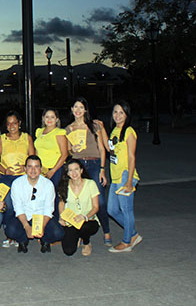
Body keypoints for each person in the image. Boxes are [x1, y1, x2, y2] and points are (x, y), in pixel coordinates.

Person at [65, 97, 111, 245]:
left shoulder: (94, 125)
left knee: (101, 202)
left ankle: (106, 231)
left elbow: (102, 149)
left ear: (85, 110)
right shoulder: (69, 128)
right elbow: (68, 150)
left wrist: (102, 169)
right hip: (78, 165)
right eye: (75, 107)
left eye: (81, 107)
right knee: (78, 198)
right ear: (72, 109)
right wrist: (73, 149)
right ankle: (80, 230)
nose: (78, 110)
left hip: (94, 162)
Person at [99, 101, 143, 253]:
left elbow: (131, 157)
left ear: (127, 115)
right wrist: (102, 129)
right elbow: (109, 148)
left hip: (125, 175)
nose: (117, 115)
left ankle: (127, 242)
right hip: (116, 177)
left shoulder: (129, 131)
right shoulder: (114, 131)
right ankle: (133, 234)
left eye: (121, 112)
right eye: (115, 112)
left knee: (126, 209)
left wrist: (130, 181)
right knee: (112, 209)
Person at [0, 111, 35, 248]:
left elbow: (33, 158)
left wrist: (26, 167)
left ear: (19, 123)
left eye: (14, 123)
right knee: (8, 206)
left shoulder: (27, 137)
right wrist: (4, 170)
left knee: (22, 205)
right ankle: (10, 235)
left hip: (23, 177)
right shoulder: (2, 139)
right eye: (9, 123)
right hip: (7, 177)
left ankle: (23, 230)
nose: (12, 126)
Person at [5, 155, 64, 253]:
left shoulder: (48, 184)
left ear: (41, 169)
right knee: (10, 231)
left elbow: (49, 209)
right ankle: (23, 240)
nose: (33, 170)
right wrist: (27, 227)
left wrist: (42, 227)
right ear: (25, 168)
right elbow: (18, 208)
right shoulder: (17, 183)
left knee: (59, 233)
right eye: (30, 166)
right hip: (25, 216)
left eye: (36, 166)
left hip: (42, 217)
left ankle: (45, 240)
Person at [57, 159, 100, 256]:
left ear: (81, 170)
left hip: (88, 220)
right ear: (67, 173)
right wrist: (61, 217)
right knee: (68, 251)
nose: (74, 173)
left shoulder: (90, 184)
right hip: (71, 221)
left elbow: (96, 207)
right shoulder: (64, 185)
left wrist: (85, 217)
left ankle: (86, 242)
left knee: (84, 227)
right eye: (70, 170)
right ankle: (77, 236)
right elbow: (61, 204)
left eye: (76, 169)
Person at [34, 108, 69, 187]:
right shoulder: (39, 131)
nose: (49, 119)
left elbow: (64, 154)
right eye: (47, 117)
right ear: (43, 118)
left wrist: (53, 171)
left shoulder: (59, 133)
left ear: (56, 119)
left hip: (55, 169)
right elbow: (37, 150)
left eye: (52, 117)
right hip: (41, 169)